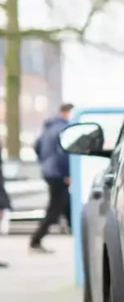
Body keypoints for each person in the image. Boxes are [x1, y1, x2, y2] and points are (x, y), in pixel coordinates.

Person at [29, 103, 73, 253]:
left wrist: (44, 163)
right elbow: (63, 154)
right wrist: (67, 173)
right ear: (66, 113)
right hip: (58, 173)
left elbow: (37, 147)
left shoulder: (47, 129)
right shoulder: (63, 128)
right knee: (55, 209)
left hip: (49, 172)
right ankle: (36, 240)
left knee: (66, 204)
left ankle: (78, 234)